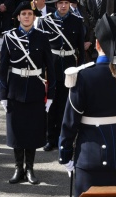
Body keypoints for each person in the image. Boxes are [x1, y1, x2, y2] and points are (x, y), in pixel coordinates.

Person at [59, 13, 116, 197]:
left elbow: (70, 122)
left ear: (97, 44)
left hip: (91, 159)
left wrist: (65, 154)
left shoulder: (83, 76)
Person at [0, 1, 55, 185]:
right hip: (15, 89)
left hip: (35, 89)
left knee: (32, 131)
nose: (26, 16)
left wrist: (51, 94)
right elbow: (3, 68)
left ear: (33, 17)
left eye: (29, 14)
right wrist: (2, 94)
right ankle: (18, 168)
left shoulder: (42, 37)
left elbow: (50, 68)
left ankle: (30, 168)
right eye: (23, 14)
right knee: (17, 132)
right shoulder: (9, 37)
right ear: (17, 17)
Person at [35, 0, 84, 151]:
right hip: (52, 65)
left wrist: (79, 70)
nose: (63, 6)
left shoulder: (77, 21)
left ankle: (64, 138)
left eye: (66, 3)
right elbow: (40, 48)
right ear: (55, 5)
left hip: (70, 65)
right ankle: (50, 138)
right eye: (60, 3)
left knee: (65, 104)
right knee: (51, 103)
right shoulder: (45, 21)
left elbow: (81, 49)